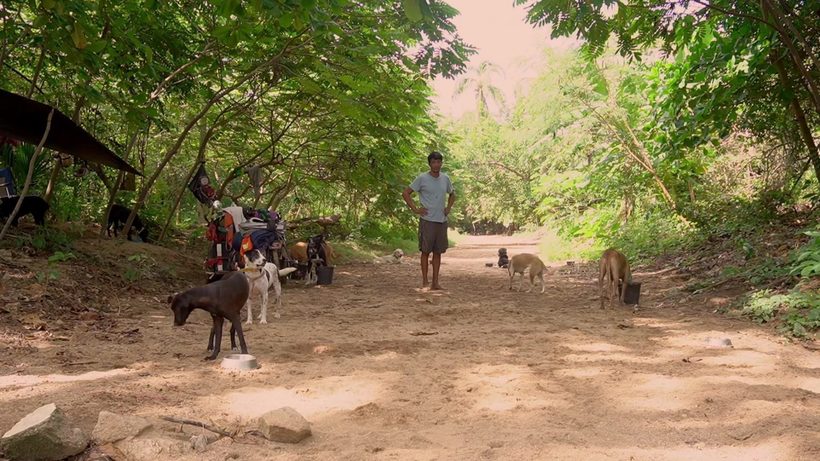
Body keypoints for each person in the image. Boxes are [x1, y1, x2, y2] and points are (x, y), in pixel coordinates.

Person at [402, 151, 456, 290]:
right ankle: (425, 281)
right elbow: (406, 193)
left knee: (438, 252)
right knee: (425, 252)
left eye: (438, 162)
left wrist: (448, 207)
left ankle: (435, 282)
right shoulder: (422, 178)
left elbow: (452, 194)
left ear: (441, 163)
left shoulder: (445, 178)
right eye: (433, 162)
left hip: (441, 220)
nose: (436, 165)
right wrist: (415, 208)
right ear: (429, 163)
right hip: (427, 220)